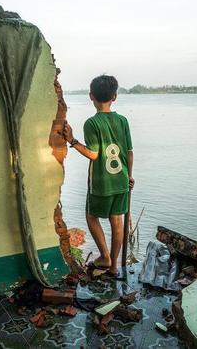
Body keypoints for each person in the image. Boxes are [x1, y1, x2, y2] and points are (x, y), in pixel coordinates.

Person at [62, 75, 134, 276]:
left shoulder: (91, 123)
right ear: (115, 96)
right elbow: (129, 152)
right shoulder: (123, 121)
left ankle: (104, 256)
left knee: (91, 216)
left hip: (101, 182)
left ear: (91, 96)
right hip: (121, 179)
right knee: (117, 221)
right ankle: (114, 267)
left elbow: (94, 154)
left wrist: (72, 141)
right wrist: (130, 176)